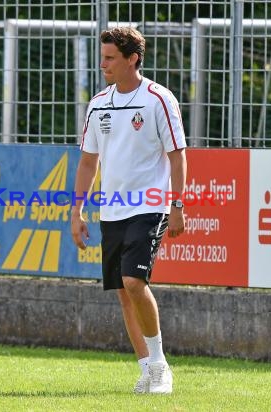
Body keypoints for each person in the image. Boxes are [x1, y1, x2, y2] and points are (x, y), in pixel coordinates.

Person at [71, 27, 187, 395]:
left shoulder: (158, 99)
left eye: (109, 58)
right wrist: (77, 212)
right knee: (123, 290)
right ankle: (146, 369)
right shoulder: (98, 104)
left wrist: (177, 204)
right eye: (102, 57)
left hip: (149, 207)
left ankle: (160, 365)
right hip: (112, 210)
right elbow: (89, 163)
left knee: (136, 282)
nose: (102, 64)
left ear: (132, 59)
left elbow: (177, 156)